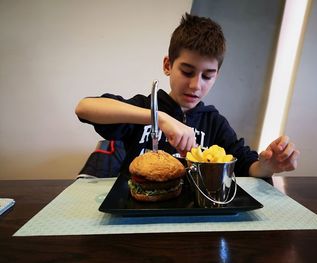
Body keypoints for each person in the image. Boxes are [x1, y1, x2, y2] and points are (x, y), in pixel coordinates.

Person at [75, 13, 300, 178]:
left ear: (216, 76)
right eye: (187, 71)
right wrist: (160, 119)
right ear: (167, 65)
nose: (195, 85)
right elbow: (84, 108)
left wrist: (269, 166)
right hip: (138, 215)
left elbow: (246, 166)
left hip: (195, 218)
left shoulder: (214, 122)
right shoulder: (145, 106)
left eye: (207, 76)